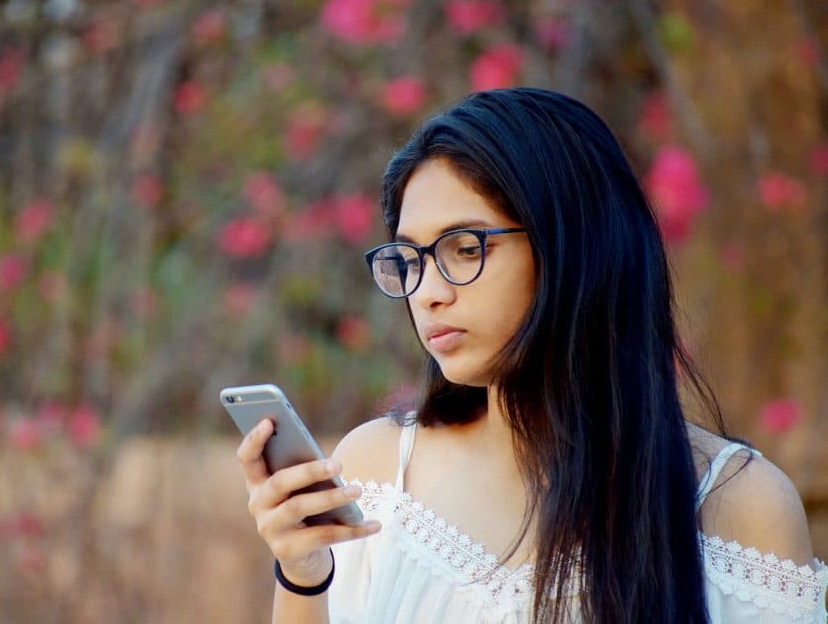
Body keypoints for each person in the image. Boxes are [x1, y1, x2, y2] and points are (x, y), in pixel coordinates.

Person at [236, 88, 828, 623]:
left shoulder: (736, 506)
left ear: (574, 248)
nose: (428, 291)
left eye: (465, 248)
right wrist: (305, 577)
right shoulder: (378, 472)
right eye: (410, 259)